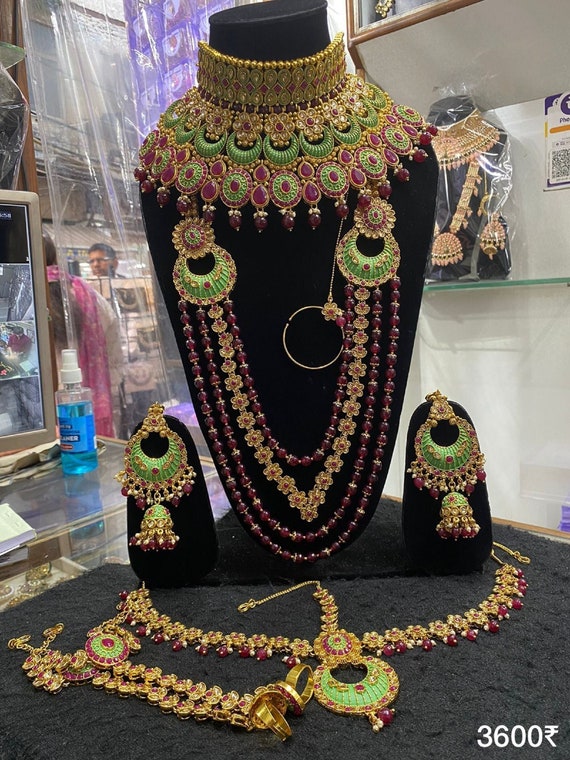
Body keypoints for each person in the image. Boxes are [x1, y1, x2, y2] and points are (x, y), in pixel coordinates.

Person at [44, 233, 124, 438]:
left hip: (41, 409)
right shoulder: (87, 292)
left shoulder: (23, 294)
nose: (96, 264)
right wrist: (110, 386)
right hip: (91, 401)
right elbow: (113, 338)